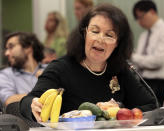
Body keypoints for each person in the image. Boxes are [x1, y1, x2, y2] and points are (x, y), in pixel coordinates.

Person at [20, 4, 156, 122]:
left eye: (109, 35)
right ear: (84, 34)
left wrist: (119, 110)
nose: (100, 39)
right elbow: (28, 100)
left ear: (117, 43)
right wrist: (32, 104)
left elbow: (150, 106)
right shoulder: (60, 68)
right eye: (95, 31)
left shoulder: (121, 70)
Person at [131, 0, 164, 106]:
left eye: (141, 17)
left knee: (161, 117)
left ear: (152, 12)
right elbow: (138, 63)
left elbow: (158, 62)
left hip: (162, 84)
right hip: (144, 82)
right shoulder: (143, 36)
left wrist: (132, 56)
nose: (140, 22)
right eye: (137, 19)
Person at [0, 32, 46, 106]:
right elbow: (9, 101)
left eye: (11, 47)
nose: (6, 53)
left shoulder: (49, 69)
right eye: (6, 49)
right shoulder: (5, 75)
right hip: (24, 117)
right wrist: (42, 90)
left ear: (28, 48)